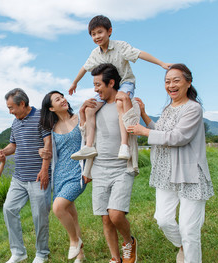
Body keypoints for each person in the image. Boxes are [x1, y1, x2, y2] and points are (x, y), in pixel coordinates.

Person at [127, 63, 214, 263]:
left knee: (188, 226)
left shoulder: (193, 108)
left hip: (189, 174)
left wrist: (145, 132)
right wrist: (145, 116)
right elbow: (161, 131)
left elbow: (178, 137)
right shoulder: (167, 109)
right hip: (165, 173)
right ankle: (183, 247)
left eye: (176, 80)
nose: (171, 85)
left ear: (188, 82)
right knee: (163, 219)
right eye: (167, 81)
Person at [69, 15, 171, 161]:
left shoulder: (120, 46)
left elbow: (139, 54)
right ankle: (89, 145)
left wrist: (161, 63)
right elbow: (84, 68)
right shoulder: (95, 54)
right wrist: (75, 83)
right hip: (107, 88)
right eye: (93, 34)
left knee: (120, 102)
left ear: (109, 31)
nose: (97, 36)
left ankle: (124, 145)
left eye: (100, 32)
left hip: (125, 82)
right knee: (89, 108)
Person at [82, 63, 139, 263]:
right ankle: (115, 258)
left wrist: (128, 106)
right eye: (94, 84)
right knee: (106, 219)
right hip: (100, 168)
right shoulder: (95, 107)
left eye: (98, 84)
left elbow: (134, 125)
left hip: (122, 168)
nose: (96, 89)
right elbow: (86, 135)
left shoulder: (124, 102)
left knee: (116, 214)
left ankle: (129, 242)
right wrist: (82, 112)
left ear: (111, 83)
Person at [0, 88, 52, 263]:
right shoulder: (15, 123)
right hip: (19, 177)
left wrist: (45, 171)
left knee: (39, 216)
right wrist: (3, 152)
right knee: (9, 209)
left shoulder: (41, 117)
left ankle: (42, 253)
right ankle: (18, 252)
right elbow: (14, 145)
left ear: (22, 104)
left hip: (38, 177)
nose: (10, 111)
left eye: (11, 107)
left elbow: (47, 144)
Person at [39, 91, 89, 263]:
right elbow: (49, 152)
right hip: (60, 175)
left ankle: (75, 242)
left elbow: (90, 143)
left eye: (62, 97)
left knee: (58, 207)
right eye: (58, 99)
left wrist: (88, 170)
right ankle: (80, 256)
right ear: (51, 108)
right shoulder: (51, 129)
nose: (63, 100)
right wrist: (42, 152)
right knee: (72, 214)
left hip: (78, 172)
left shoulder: (80, 118)